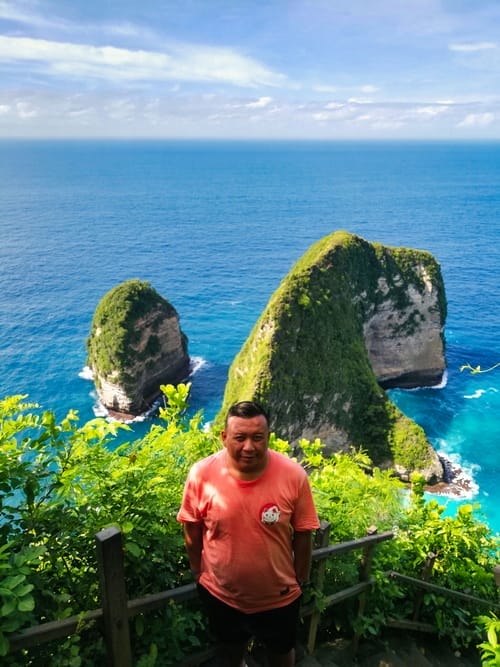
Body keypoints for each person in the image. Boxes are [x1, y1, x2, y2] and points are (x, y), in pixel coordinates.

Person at [177, 400, 320, 667]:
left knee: (281, 652)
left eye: (258, 438)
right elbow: (191, 525)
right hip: (221, 594)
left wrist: (301, 578)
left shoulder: (293, 476)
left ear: (268, 437)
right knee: (230, 651)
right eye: (239, 437)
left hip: (279, 596)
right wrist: (198, 571)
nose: (249, 447)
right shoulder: (202, 474)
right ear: (224, 437)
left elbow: (303, 532)